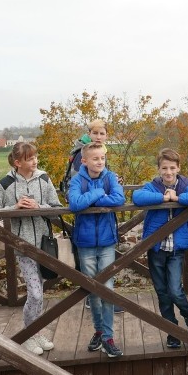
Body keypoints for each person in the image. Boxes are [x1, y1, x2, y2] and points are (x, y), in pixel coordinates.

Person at [0, 141, 62, 355]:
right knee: (36, 294)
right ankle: (29, 335)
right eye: (30, 158)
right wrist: (15, 208)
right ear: (18, 162)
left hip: (45, 245)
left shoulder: (44, 179)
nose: (35, 161)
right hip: (22, 247)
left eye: (35, 157)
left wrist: (40, 207)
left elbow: (57, 210)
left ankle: (35, 332)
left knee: (40, 291)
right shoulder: (5, 184)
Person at [132, 148, 188, 348]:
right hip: (156, 248)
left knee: (174, 290)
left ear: (178, 168)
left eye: (172, 168)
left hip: (176, 250)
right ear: (158, 169)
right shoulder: (153, 186)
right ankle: (172, 331)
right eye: (164, 168)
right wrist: (164, 198)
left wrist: (177, 198)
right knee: (162, 293)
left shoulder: (185, 185)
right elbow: (137, 197)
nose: (168, 172)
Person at [67, 142, 126, 357]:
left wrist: (90, 198)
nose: (100, 162)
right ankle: (99, 331)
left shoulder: (111, 177)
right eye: (95, 159)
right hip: (85, 243)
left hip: (107, 241)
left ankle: (108, 337)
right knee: (93, 288)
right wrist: (99, 193)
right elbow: (74, 203)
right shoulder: (77, 180)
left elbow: (119, 199)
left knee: (107, 288)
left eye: (102, 158)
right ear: (84, 161)